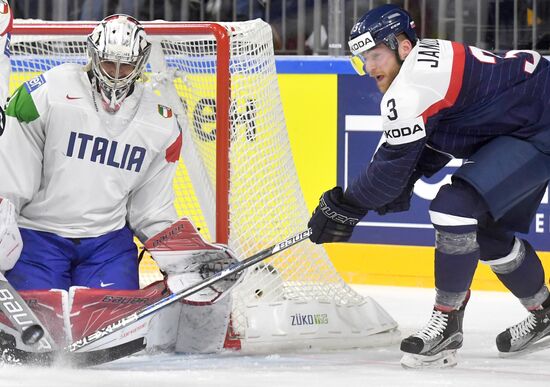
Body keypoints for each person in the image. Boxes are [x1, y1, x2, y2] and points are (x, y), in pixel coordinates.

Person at [307, 4, 550, 368]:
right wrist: (386, 189)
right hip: (528, 115)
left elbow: (390, 170)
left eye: (376, 55)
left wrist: (343, 205)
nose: (370, 68)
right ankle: (543, 312)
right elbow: (434, 141)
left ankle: (447, 323)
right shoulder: (424, 62)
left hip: (539, 122)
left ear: (402, 45)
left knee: (453, 208)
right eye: (363, 59)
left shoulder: (410, 87)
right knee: (479, 230)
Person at [0, 14, 238, 357]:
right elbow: (11, 165)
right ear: (92, 55)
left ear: (140, 65)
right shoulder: (47, 92)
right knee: (35, 336)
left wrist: (188, 257)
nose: (114, 73)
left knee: (108, 338)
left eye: (124, 66)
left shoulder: (160, 123)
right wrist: (4, 211)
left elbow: (151, 210)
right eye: (108, 62)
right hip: (38, 237)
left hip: (106, 246)